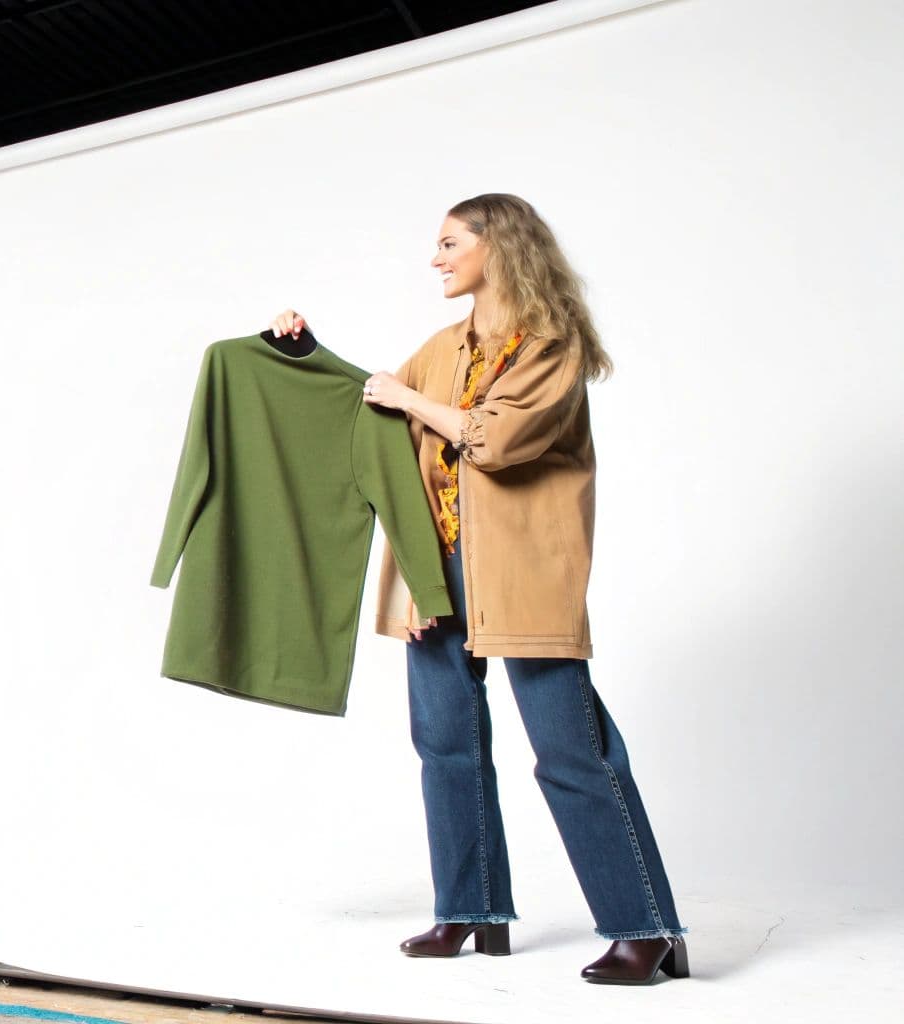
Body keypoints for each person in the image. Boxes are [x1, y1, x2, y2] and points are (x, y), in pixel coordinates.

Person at [267, 193, 688, 985]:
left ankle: (647, 928)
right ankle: (470, 910)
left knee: (570, 750)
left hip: (523, 573)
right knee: (444, 746)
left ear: (498, 246)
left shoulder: (552, 345)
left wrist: (409, 399)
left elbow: (495, 439)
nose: (435, 257)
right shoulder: (443, 347)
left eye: (450, 242)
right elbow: (371, 412)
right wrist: (303, 353)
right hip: (436, 569)